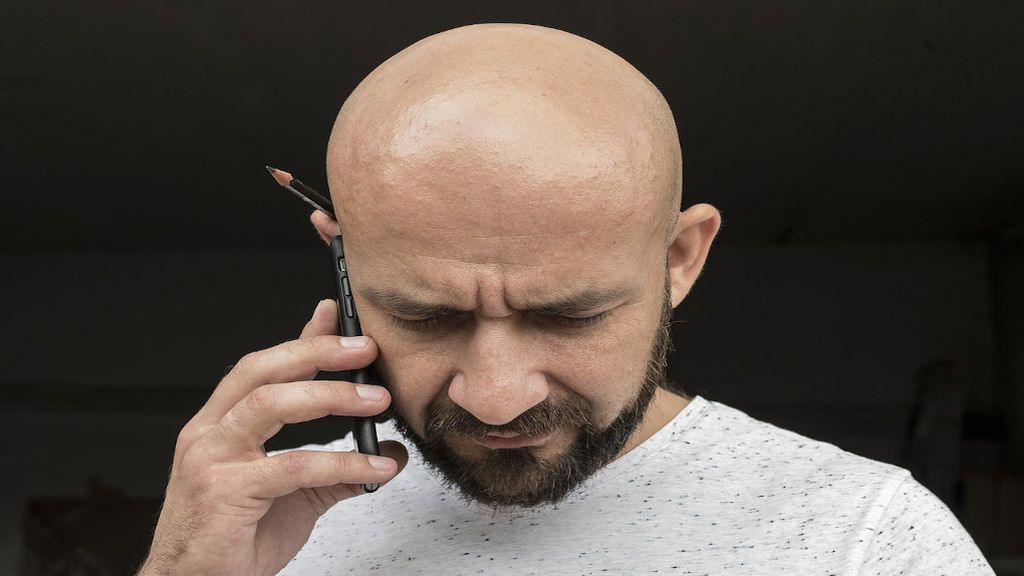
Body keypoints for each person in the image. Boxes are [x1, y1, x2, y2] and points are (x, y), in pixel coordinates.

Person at [138, 23, 994, 576]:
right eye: (427, 315)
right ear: (345, 269)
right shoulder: (254, 535)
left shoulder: (868, 541)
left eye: (569, 314)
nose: (496, 397)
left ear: (680, 259)